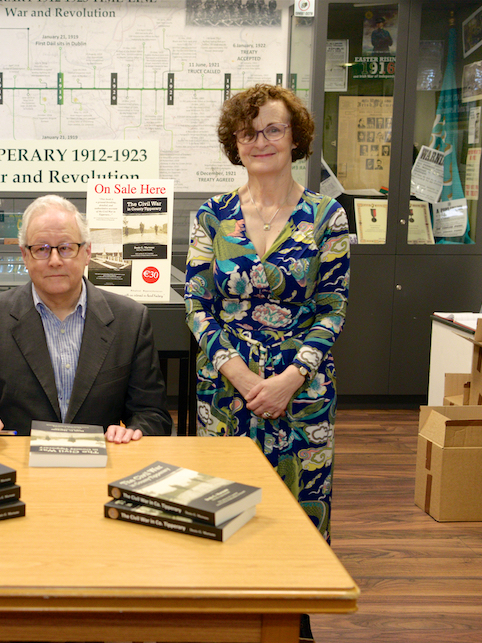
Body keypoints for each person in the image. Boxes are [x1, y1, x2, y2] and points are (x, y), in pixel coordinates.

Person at [184, 85, 349, 639]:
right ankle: (225, 617)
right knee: (222, 508)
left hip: (300, 395)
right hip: (226, 393)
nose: (261, 142)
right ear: (236, 143)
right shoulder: (212, 216)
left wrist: (286, 380)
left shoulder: (327, 217)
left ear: (296, 137)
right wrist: (241, 374)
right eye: (249, 132)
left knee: (297, 510)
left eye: (273, 129)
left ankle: (290, 622)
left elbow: (332, 309)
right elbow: (197, 305)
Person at [0, 194, 172, 443]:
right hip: (16, 464)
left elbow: (152, 414)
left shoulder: (130, 320)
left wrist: (134, 431)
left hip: (99, 464)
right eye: (41, 249)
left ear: (86, 253)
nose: (54, 261)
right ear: (24, 256)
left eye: (65, 248)